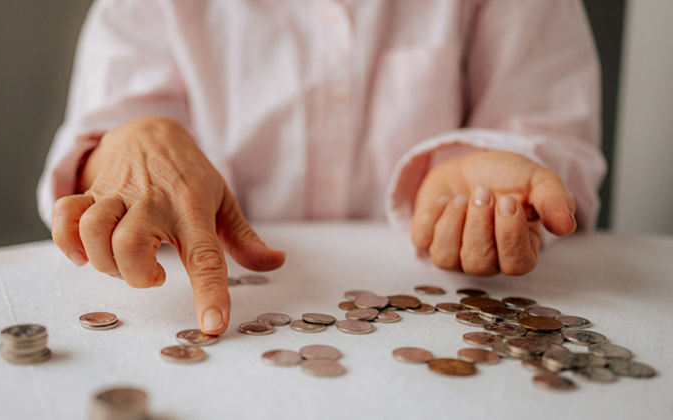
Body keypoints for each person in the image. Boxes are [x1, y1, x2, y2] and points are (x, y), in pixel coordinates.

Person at [37, 0, 606, 336]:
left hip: (448, 300)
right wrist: (129, 145)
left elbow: (552, 134)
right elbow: (101, 152)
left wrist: (495, 174)